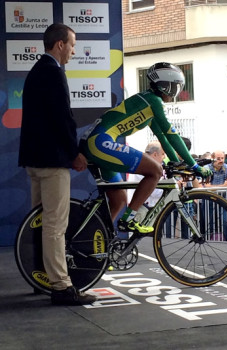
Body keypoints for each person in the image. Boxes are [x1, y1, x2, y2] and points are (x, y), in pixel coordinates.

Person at [81, 62, 212, 235]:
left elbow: (163, 138)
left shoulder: (147, 100)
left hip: (97, 143)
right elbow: (171, 134)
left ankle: (97, 245)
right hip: (100, 143)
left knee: (119, 200)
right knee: (155, 171)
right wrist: (194, 166)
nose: (177, 91)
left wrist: (175, 162)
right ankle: (129, 219)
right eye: (176, 86)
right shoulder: (153, 101)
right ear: (167, 86)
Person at [18, 23, 96, 306]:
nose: (74, 52)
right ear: (60, 44)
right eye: (72, 45)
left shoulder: (37, 71)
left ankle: (42, 277)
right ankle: (62, 287)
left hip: (35, 160)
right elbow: (62, 118)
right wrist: (74, 153)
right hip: (52, 162)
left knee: (39, 223)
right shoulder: (53, 71)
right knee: (54, 225)